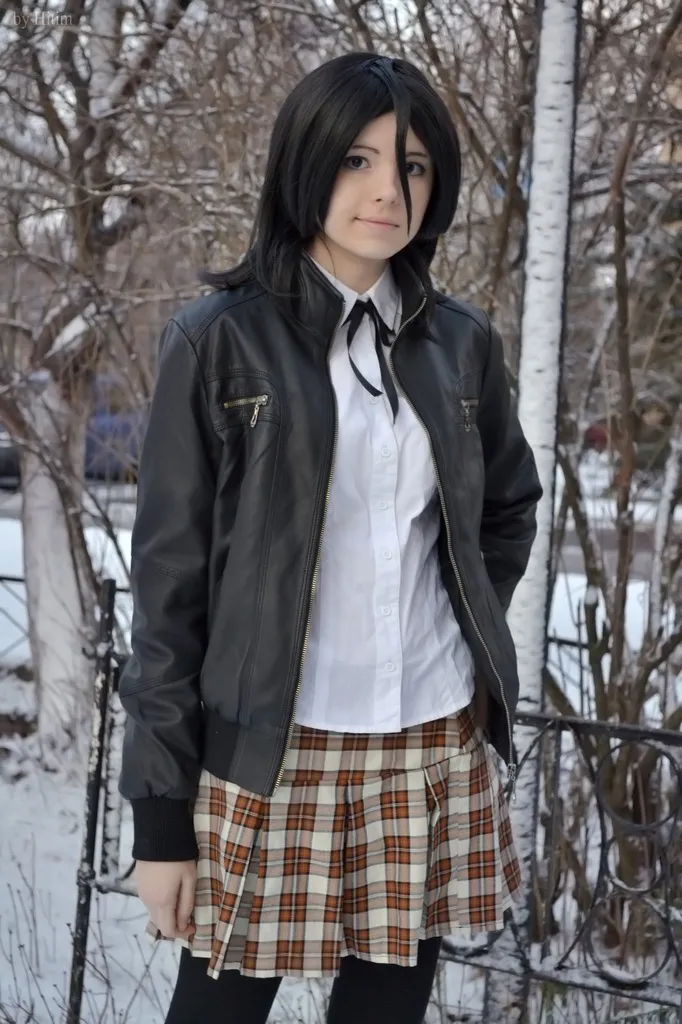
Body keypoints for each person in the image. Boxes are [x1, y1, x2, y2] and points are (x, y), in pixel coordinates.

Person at [118, 51, 542, 1024]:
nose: (388, 190)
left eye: (413, 165)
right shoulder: (218, 340)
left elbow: (507, 504)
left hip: (426, 740)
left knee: (387, 1010)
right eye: (358, 159)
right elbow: (169, 591)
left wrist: (460, 612)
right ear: (306, 163)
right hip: (271, 752)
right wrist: (159, 821)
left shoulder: (461, 342)